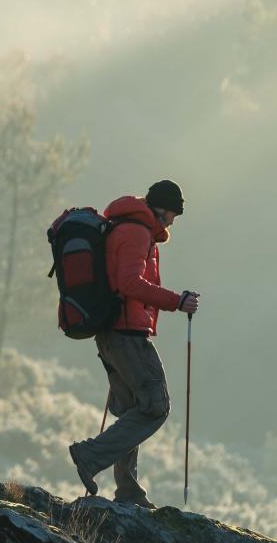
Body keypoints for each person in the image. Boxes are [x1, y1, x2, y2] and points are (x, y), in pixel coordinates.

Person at [68, 179, 200, 508]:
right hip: (126, 334)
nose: (173, 220)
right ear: (161, 207)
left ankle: (129, 493)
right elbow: (128, 283)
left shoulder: (126, 226)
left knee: (130, 410)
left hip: (113, 333)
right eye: (173, 213)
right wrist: (176, 300)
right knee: (155, 405)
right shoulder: (136, 232)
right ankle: (90, 454)